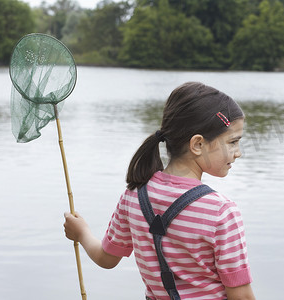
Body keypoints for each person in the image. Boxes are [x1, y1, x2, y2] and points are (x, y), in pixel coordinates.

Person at [64, 82, 255, 300]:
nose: (238, 153)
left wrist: (82, 232)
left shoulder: (134, 195)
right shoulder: (221, 211)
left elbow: (106, 258)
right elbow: (242, 296)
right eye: (233, 142)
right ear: (198, 145)